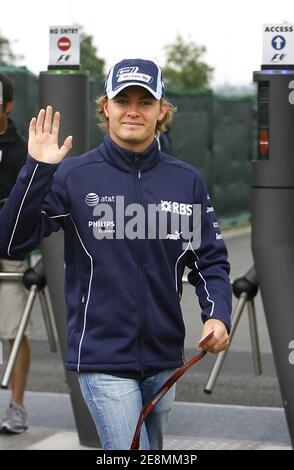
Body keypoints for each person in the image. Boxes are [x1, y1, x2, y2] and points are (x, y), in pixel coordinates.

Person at [0, 59, 232, 449]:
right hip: (102, 357)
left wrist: (219, 316)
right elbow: (10, 241)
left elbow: (208, 259)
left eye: (146, 101)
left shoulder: (186, 179)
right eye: (123, 100)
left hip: (163, 357)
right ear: (106, 107)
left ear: (162, 111)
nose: (133, 111)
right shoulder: (74, 175)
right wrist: (37, 169)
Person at [0, 73, 30, 434]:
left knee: (12, 330)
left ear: (8, 106)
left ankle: (17, 407)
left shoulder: (20, 149)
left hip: (7, 255)